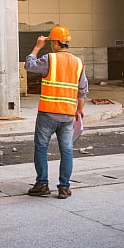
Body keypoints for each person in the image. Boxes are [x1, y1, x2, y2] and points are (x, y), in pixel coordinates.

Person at [24, 25, 88, 199]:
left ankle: (42, 184)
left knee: (41, 147)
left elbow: (29, 65)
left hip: (48, 113)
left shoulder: (49, 59)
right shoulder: (78, 62)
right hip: (68, 115)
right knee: (66, 150)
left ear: (54, 43)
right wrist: (79, 110)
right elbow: (83, 90)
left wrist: (37, 46)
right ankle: (64, 188)